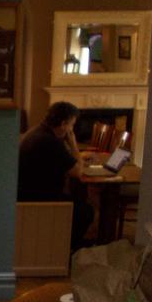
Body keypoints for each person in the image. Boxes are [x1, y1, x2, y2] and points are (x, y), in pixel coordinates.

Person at [17, 101, 94, 249]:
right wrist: (74, 145)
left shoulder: (37, 132)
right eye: (72, 125)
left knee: (77, 201)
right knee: (86, 211)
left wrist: (75, 156)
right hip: (39, 200)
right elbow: (78, 172)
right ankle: (65, 248)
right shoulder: (50, 141)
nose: (72, 130)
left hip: (26, 194)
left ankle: (64, 241)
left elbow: (61, 159)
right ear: (64, 124)